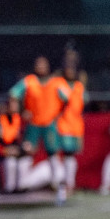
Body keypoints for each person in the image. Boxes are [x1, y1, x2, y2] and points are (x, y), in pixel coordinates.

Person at [9, 55, 71, 204]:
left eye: (43, 64)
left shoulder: (57, 82)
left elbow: (69, 99)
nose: (41, 67)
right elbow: (14, 93)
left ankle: (58, 189)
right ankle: (19, 187)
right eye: (38, 64)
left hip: (49, 124)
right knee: (26, 152)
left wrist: (59, 115)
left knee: (53, 154)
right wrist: (22, 110)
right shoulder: (29, 81)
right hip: (34, 124)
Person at [54, 52, 89, 195]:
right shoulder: (59, 84)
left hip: (76, 125)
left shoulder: (79, 86)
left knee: (72, 155)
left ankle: (70, 183)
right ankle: (61, 183)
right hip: (63, 124)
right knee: (64, 154)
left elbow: (84, 101)